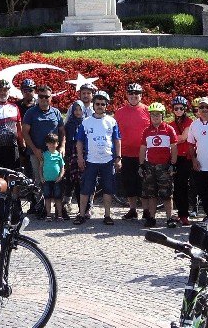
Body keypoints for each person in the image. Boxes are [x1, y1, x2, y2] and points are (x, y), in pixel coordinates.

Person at [75, 90, 121, 225]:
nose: (100, 106)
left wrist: (118, 158)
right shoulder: (86, 122)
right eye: (97, 104)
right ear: (93, 105)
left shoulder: (111, 121)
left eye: (102, 104)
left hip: (107, 160)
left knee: (108, 189)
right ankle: (81, 214)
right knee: (85, 189)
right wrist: (80, 158)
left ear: (106, 106)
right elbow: (79, 142)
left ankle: (107, 215)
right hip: (90, 160)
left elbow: (117, 140)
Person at [115, 82, 150, 221]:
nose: (133, 96)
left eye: (136, 93)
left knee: (144, 184)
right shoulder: (119, 112)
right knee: (129, 183)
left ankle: (146, 210)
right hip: (126, 154)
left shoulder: (148, 110)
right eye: (131, 93)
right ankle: (133, 209)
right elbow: (115, 134)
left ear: (141, 95)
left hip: (144, 155)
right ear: (126, 95)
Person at [139, 102, 178, 228]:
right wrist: (141, 165)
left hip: (164, 167)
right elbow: (143, 148)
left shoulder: (169, 129)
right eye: (153, 115)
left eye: (158, 115)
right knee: (151, 194)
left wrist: (173, 163)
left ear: (163, 116)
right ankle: (151, 218)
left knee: (167, 195)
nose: (155, 117)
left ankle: (169, 218)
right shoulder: (146, 131)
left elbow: (174, 147)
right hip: (150, 166)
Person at [22, 85, 65, 190]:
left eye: (47, 96)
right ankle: (38, 205)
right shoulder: (30, 112)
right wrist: (34, 149)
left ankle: (54, 205)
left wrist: (62, 146)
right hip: (37, 153)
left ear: (51, 97)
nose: (44, 99)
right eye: (41, 96)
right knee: (39, 180)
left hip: (53, 153)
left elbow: (62, 131)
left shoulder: (56, 112)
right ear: (38, 97)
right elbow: (25, 132)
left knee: (55, 179)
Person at [169, 95, 194, 227]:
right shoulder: (171, 124)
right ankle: (180, 213)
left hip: (186, 158)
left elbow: (183, 138)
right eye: (176, 108)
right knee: (176, 187)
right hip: (174, 157)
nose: (178, 110)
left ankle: (184, 215)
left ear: (185, 109)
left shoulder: (189, 122)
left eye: (181, 108)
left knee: (183, 185)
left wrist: (172, 139)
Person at [62, 99, 86, 219]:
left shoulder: (86, 123)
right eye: (75, 109)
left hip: (82, 154)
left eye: (80, 109)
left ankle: (83, 208)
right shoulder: (69, 124)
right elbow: (65, 139)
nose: (77, 112)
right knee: (71, 180)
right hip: (71, 155)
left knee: (81, 181)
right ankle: (65, 205)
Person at [41, 133, 65, 220]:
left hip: (57, 180)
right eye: (50, 143)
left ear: (57, 144)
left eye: (53, 143)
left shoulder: (59, 155)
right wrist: (41, 177)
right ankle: (48, 215)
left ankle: (59, 215)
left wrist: (60, 176)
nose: (52, 145)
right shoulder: (44, 154)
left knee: (58, 198)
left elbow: (62, 167)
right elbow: (41, 167)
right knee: (47, 198)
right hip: (46, 180)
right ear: (46, 144)